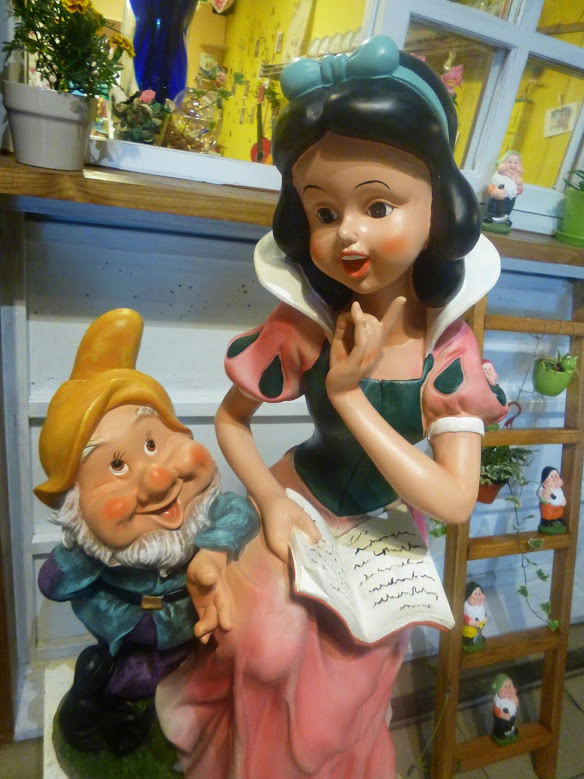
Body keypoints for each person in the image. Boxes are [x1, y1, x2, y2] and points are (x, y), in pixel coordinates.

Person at [156, 36, 508, 778]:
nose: (347, 232)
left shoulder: (447, 352)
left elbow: (454, 500)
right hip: (300, 504)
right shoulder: (306, 325)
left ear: (439, 206)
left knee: (340, 700)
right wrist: (269, 502)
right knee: (261, 648)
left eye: (378, 205)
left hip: (383, 536)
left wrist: (348, 396)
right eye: (323, 210)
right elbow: (230, 420)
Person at [36, 309, 258, 755]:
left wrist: (213, 551)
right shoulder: (92, 551)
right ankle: (104, 713)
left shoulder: (203, 516)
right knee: (112, 676)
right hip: (128, 638)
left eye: (153, 443)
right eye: (116, 466)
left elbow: (241, 512)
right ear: (75, 505)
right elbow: (54, 582)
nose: (158, 479)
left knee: (201, 676)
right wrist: (81, 552)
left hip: (193, 636)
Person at [482, 150, 524, 232]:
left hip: (510, 198)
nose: (513, 166)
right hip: (497, 197)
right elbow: (492, 187)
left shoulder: (516, 179)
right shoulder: (499, 176)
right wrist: (496, 192)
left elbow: (519, 191)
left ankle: (505, 217)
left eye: (516, 163)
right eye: (510, 162)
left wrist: (519, 186)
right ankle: (490, 215)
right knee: (495, 204)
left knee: (507, 207)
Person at [537, 465, 567, 534]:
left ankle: (556, 519)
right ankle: (546, 522)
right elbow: (540, 496)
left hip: (558, 506)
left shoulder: (559, 489)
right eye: (552, 476)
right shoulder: (544, 489)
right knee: (548, 513)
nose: (555, 479)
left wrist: (563, 500)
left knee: (558, 513)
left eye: (557, 476)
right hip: (548, 506)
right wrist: (545, 495)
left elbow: (561, 495)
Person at [491, 674, 519, 745]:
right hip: (501, 718)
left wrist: (515, 701)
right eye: (505, 687)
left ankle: (510, 730)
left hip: (512, 715)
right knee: (501, 726)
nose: (509, 690)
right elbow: (496, 710)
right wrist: (503, 715)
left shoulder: (513, 697)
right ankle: (499, 734)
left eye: (510, 686)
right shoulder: (498, 700)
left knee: (511, 723)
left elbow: (516, 705)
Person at [462, 581, 488, 651]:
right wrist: (473, 623)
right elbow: (465, 618)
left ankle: (478, 637)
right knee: (470, 634)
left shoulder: (481, 606)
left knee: (478, 632)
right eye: (475, 594)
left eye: (479, 593)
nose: (478, 596)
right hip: (470, 627)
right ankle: (468, 641)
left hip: (479, 625)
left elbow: (484, 613)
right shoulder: (466, 607)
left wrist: (485, 618)